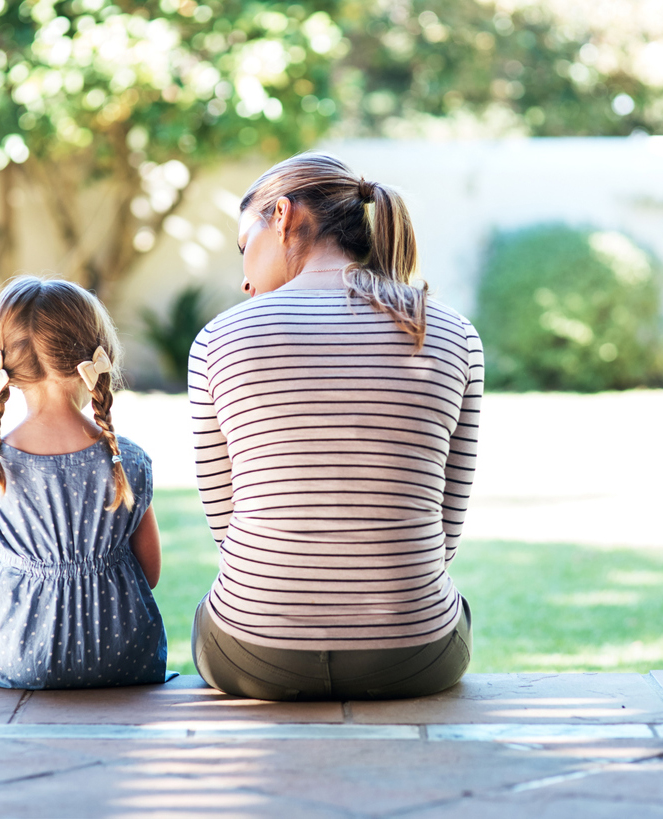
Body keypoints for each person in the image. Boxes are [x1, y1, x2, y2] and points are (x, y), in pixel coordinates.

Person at [188, 153, 483, 701]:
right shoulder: (451, 332)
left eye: (242, 246)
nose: (244, 278)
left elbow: (226, 526)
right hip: (414, 655)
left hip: (254, 655)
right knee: (452, 606)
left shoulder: (218, 339)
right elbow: (446, 529)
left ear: (281, 216)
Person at [0, 276, 171, 689]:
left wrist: (25, 566)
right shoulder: (128, 461)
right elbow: (149, 572)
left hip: (16, 658)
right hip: (121, 657)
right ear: (97, 356)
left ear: (5, 366)